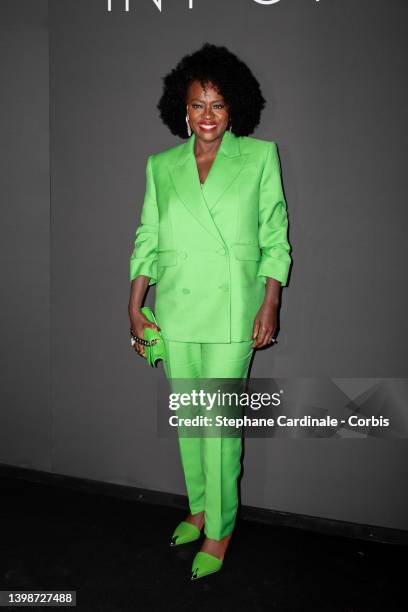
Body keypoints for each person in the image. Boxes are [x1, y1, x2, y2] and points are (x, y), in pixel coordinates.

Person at [128, 43, 292, 580]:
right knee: (190, 422)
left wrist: (270, 299)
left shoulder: (260, 156)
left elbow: (276, 237)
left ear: (234, 107)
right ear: (183, 107)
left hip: (232, 312)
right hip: (174, 310)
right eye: (198, 104)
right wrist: (135, 306)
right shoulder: (161, 166)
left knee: (220, 427)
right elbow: (147, 238)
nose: (207, 116)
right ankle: (198, 508)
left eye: (218, 104)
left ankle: (220, 528)